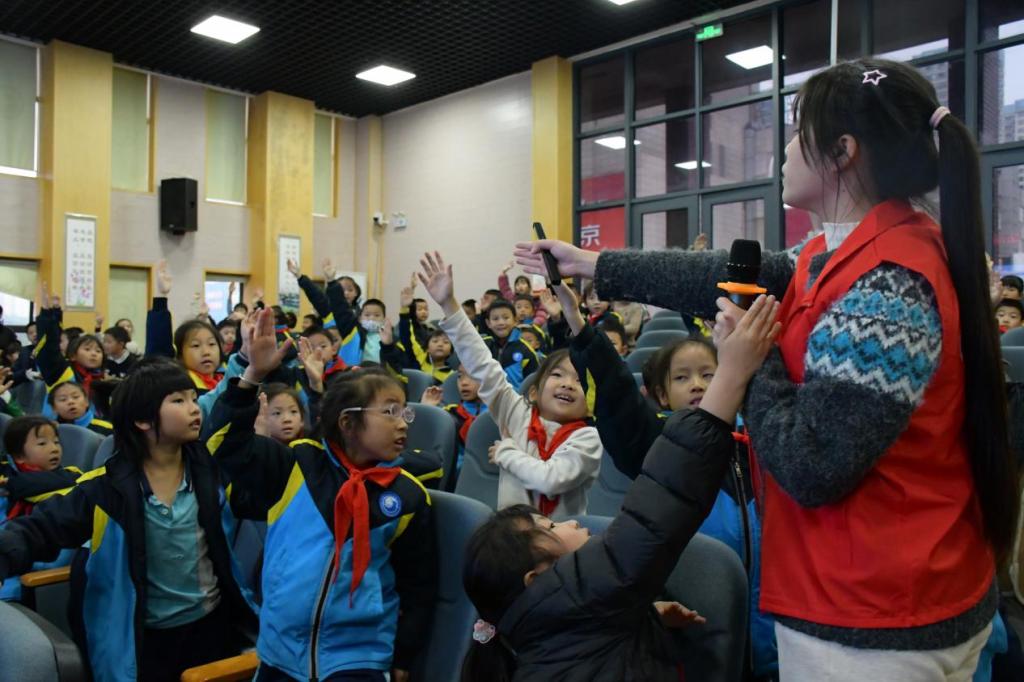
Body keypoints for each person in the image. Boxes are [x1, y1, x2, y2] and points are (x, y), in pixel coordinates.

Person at [516, 58, 1017, 679]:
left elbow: (812, 463)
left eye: (797, 131)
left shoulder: (887, 283)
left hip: (877, 614)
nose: (784, 149)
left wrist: (749, 359)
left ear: (843, 151)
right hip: (872, 593)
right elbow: (727, 276)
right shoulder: (836, 249)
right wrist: (593, 264)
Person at [459, 294, 780, 681]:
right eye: (552, 527)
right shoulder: (600, 582)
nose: (575, 523)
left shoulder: (543, 632)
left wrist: (645, 617)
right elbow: (667, 492)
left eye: (709, 375)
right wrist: (733, 372)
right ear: (538, 578)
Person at [560, 283, 777, 675]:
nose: (697, 384)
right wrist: (580, 325)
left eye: (709, 374)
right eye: (682, 378)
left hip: (774, 627)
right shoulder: (662, 445)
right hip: (699, 626)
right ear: (660, 395)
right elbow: (619, 399)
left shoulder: (763, 436)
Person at [207, 309, 435, 682]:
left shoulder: (407, 495)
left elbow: (418, 587)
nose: (402, 424)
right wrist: (252, 375)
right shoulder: (297, 463)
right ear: (348, 422)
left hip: (359, 658)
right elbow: (221, 445)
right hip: (280, 651)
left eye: (404, 413)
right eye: (390, 412)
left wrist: (404, 658)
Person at [0, 358, 256, 681]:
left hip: (211, 625)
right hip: (142, 639)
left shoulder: (208, 471)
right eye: (179, 401)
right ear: (142, 420)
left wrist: (250, 372)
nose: (194, 408)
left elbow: (229, 412)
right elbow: (41, 528)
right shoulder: (107, 489)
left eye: (194, 398)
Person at [420, 252, 602, 518]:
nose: (568, 384)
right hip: (510, 536)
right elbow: (482, 364)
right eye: (557, 375)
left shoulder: (588, 438)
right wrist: (449, 305)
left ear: (592, 402)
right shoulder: (517, 414)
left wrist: (506, 451)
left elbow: (551, 480)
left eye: (580, 381)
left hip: (560, 539)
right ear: (534, 392)